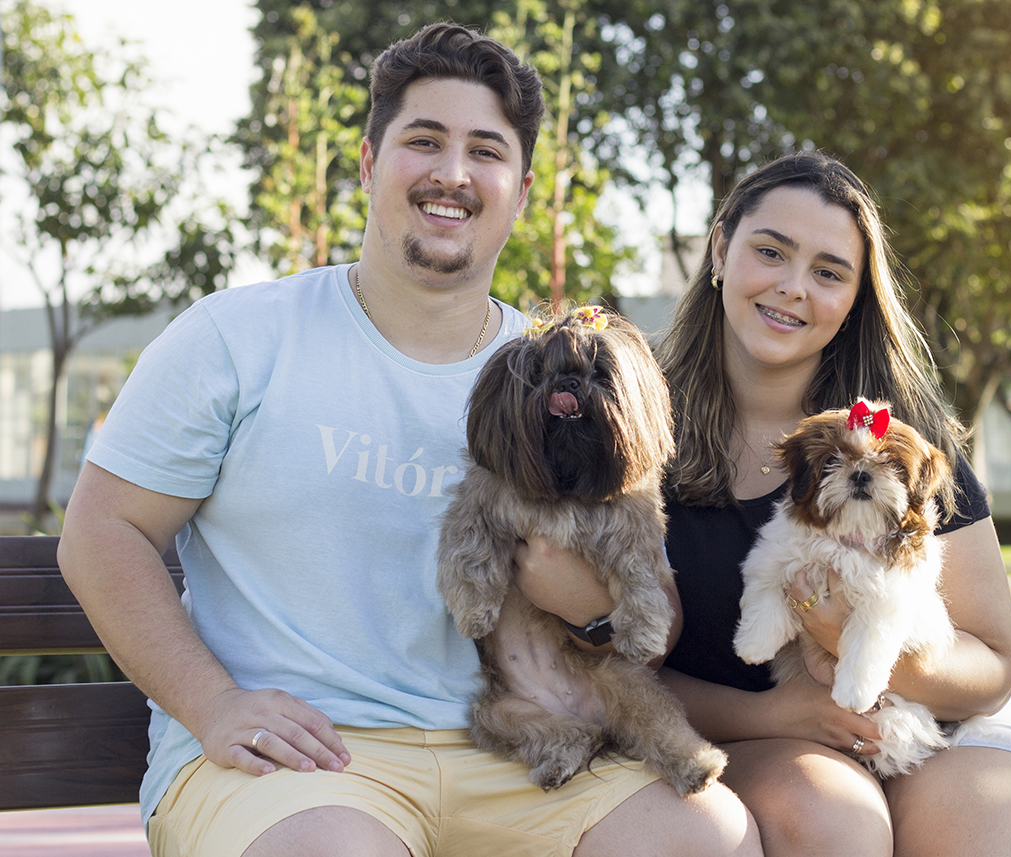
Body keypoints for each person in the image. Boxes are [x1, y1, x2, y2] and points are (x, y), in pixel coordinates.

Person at [57, 23, 760, 857]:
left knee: (708, 837)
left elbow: (650, 599)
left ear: (520, 192)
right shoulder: (236, 337)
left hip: (521, 748)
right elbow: (102, 531)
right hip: (303, 759)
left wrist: (593, 609)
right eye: (424, 140)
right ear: (367, 163)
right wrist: (212, 704)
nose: (452, 173)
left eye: (485, 151)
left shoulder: (571, 378)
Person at [518, 150, 1011, 857]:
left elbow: (992, 664)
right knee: (831, 818)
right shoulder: (624, 427)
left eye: (829, 272)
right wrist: (775, 713)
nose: (793, 287)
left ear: (854, 299)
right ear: (720, 249)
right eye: (771, 252)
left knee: (986, 817)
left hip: (936, 722)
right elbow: (599, 661)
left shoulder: (901, 442)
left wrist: (854, 649)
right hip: (739, 731)